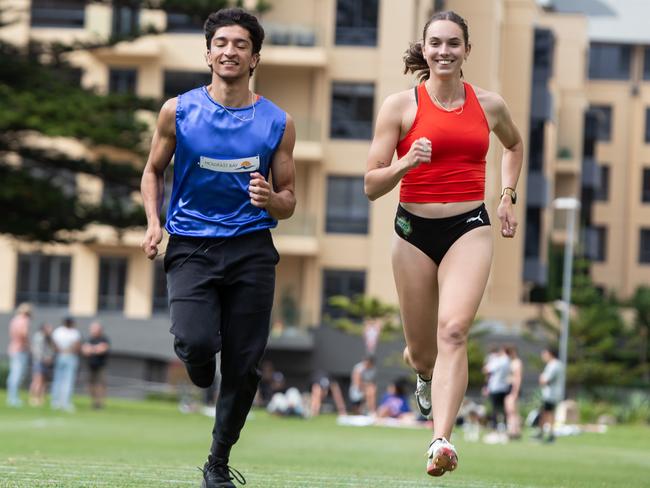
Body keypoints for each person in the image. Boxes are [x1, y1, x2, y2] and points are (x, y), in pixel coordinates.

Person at [139, 7, 296, 487]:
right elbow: (152, 171)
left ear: (255, 58)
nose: (230, 51)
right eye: (222, 43)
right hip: (190, 245)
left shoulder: (278, 122)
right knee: (197, 343)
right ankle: (200, 363)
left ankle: (218, 461)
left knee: (245, 367)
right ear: (208, 53)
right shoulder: (178, 110)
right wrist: (153, 222)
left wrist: (273, 198)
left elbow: (289, 199)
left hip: (251, 249)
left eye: (241, 45)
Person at [363, 10, 524, 477]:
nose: (444, 52)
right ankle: (425, 375)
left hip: (468, 226)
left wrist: (507, 195)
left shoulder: (489, 104)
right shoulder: (400, 106)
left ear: (467, 50)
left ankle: (440, 439)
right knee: (421, 349)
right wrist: (405, 164)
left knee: (453, 330)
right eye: (436, 43)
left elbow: (513, 146)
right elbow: (371, 185)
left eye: (454, 43)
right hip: (412, 232)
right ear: (425, 48)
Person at [50, 316, 81, 412]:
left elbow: (54, 344)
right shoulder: (74, 332)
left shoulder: (58, 331)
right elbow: (76, 346)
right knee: (67, 380)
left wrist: (61, 350)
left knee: (58, 379)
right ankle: (65, 402)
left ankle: (55, 402)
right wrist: (67, 351)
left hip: (60, 356)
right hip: (70, 357)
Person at [6, 303, 31, 407]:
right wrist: (28, 345)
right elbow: (23, 334)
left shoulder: (14, 319)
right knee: (17, 374)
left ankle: (12, 397)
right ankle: (13, 398)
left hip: (13, 348)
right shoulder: (24, 320)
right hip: (20, 350)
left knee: (13, 374)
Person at [81, 321, 110, 409]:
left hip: (101, 366)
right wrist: (95, 348)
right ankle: (93, 401)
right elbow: (85, 351)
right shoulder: (89, 339)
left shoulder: (104, 339)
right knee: (90, 384)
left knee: (101, 384)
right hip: (90, 365)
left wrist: (91, 349)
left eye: (94, 328)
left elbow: (102, 349)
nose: (92, 330)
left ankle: (100, 403)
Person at [537, 347, 563, 443]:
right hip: (550, 394)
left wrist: (541, 379)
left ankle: (549, 434)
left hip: (551, 394)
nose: (543, 356)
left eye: (545, 354)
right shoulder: (554, 364)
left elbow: (545, 380)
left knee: (548, 414)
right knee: (546, 413)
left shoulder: (554, 365)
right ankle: (543, 433)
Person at [483, 345, 511, 432]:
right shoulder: (508, 361)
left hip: (495, 387)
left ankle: (495, 426)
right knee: (503, 408)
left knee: (495, 408)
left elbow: (486, 370)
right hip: (504, 387)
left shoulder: (499, 360)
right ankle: (505, 425)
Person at [29, 322, 54, 406]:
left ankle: (41, 398)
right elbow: (37, 351)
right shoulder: (39, 337)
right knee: (37, 380)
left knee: (43, 381)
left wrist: (49, 357)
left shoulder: (48, 338)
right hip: (39, 361)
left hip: (45, 362)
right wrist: (44, 358)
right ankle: (34, 398)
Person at [504, 344, 523, 439]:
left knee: (513, 411)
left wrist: (515, 391)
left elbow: (518, 378)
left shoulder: (517, 362)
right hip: (508, 387)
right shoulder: (510, 362)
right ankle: (512, 430)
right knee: (509, 411)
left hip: (513, 387)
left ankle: (515, 431)